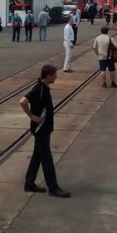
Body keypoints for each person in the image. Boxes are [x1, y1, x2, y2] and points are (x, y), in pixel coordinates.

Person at [19, 64, 71, 198]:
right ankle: (53, 187)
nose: (56, 77)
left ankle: (29, 183)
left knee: (37, 156)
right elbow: (23, 101)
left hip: (44, 128)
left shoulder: (44, 88)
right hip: (40, 129)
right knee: (46, 158)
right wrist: (31, 116)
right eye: (54, 74)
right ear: (48, 76)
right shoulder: (39, 89)